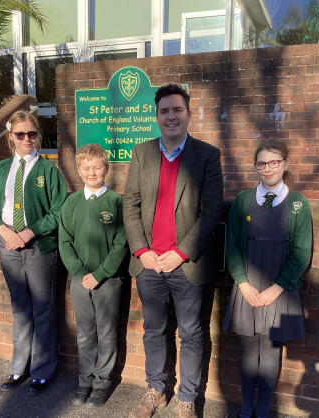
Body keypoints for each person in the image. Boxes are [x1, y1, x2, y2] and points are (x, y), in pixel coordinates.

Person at [123, 83, 223, 418]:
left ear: (188, 115)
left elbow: (211, 212)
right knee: (153, 330)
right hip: (149, 264)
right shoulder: (142, 153)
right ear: (156, 115)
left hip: (186, 264)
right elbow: (130, 206)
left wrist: (181, 253)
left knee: (191, 334)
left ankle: (186, 397)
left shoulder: (206, 155)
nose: (171, 116)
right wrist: (140, 250)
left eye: (177, 110)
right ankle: (156, 389)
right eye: (164, 110)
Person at [223, 139, 312, 418]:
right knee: (249, 347)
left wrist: (277, 288)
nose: (268, 168)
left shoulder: (298, 203)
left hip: (279, 288)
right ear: (256, 167)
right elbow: (232, 245)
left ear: (285, 164)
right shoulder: (243, 200)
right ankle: (246, 408)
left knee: (272, 349)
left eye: (274, 162)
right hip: (248, 286)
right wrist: (243, 282)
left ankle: (263, 409)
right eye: (262, 163)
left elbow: (301, 252)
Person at [0, 110, 67, 395]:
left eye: (32, 133)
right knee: (20, 309)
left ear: (37, 136)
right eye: (20, 134)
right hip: (8, 247)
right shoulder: (0, 169)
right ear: (11, 137)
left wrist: (28, 233)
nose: (27, 139)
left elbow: (58, 210)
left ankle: (43, 370)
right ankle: (19, 368)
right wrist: (5, 232)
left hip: (39, 247)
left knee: (42, 308)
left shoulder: (48, 170)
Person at [58, 144, 128, 408]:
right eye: (86, 168)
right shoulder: (71, 203)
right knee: (86, 334)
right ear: (78, 170)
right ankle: (85, 380)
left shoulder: (117, 202)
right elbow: (64, 240)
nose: (92, 172)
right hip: (79, 280)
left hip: (107, 281)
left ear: (106, 169)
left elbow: (121, 243)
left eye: (97, 166)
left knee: (107, 333)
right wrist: (80, 272)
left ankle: (101, 383)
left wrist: (99, 274)